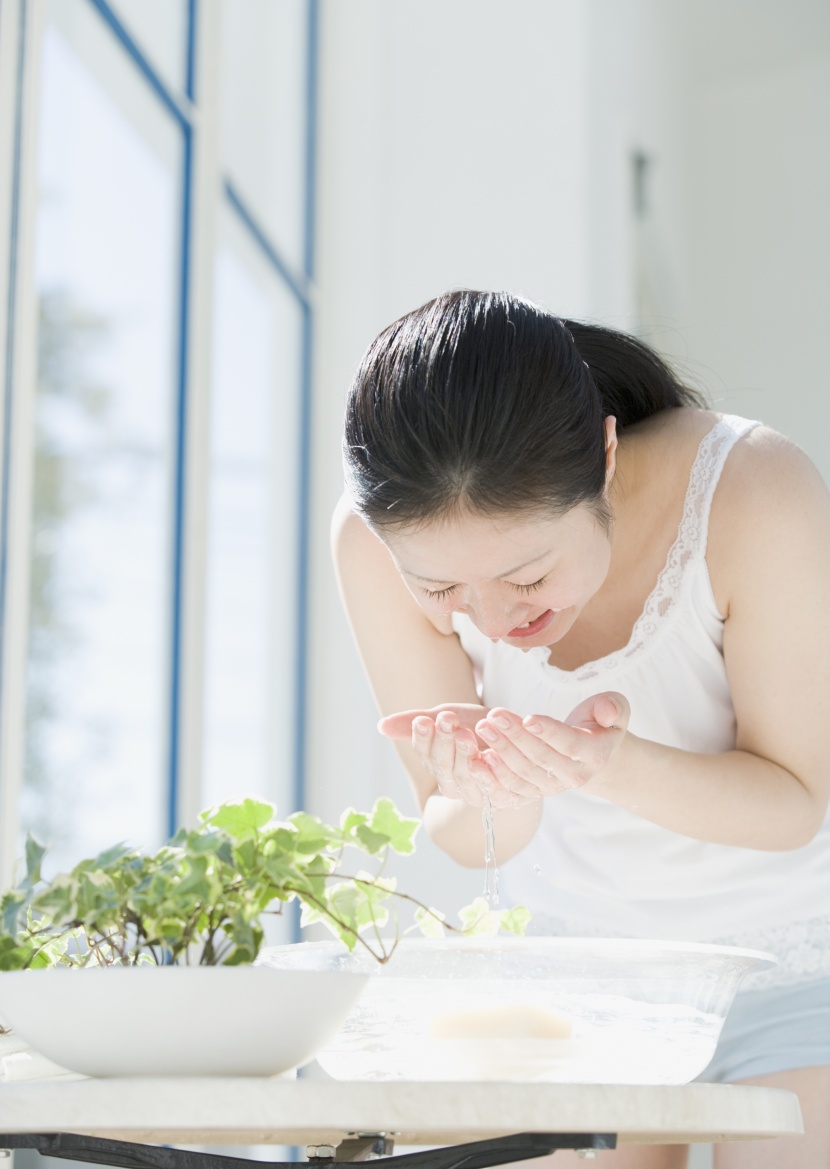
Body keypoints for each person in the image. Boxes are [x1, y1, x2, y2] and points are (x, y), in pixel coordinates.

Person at [332, 290, 830, 1169]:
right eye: (442, 592)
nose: (488, 615)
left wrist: (610, 766)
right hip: (586, 985)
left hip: (794, 963)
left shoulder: (753, 488)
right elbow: (458, 830)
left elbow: (795, 804)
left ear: (602, 456)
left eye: (526, 574)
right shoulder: (376, 544)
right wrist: (496, 789)